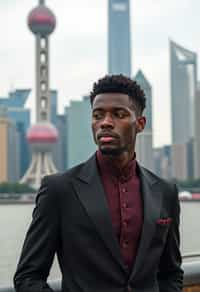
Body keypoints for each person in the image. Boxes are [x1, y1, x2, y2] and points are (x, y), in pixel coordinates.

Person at [14, 74, 183, 292]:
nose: (105, 122)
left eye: (119, 114)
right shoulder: (60, 190)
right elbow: (28, 277)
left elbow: (171, 273)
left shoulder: (165, 192)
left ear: (140, 124)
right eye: (98, 115)